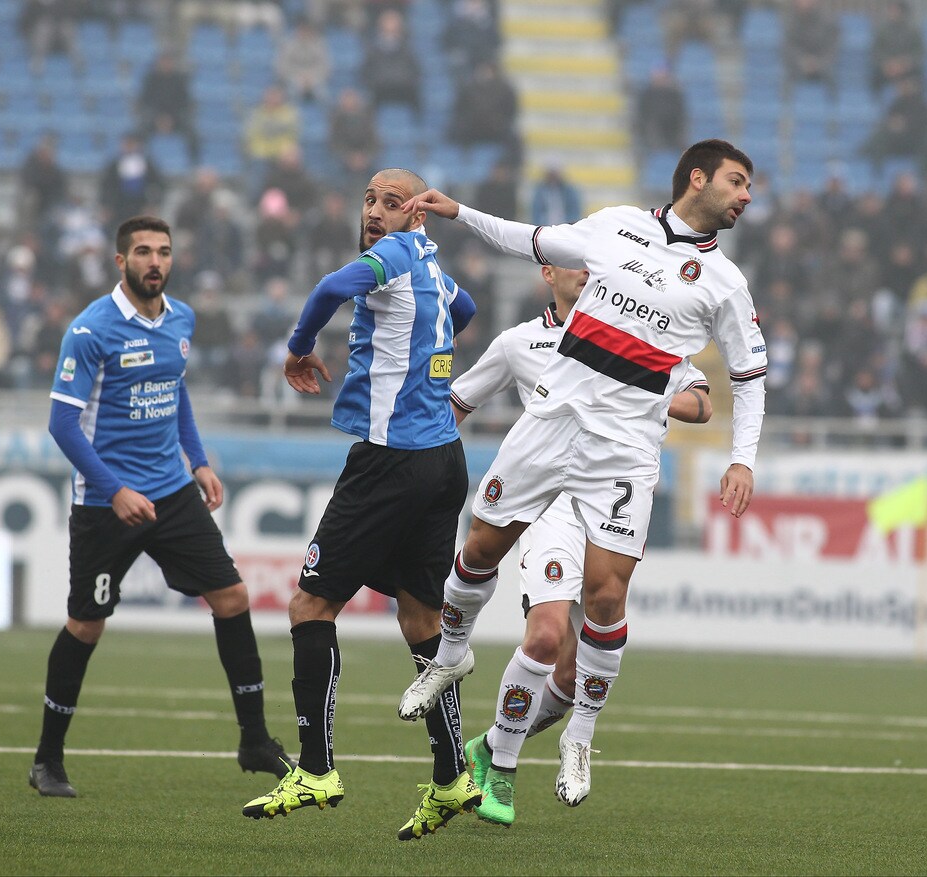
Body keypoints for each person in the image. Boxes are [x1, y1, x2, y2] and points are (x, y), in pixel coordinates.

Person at [396, 139, 767, 812]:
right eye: (737, 181)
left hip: (624, 451)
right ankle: (449, 656)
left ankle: (580, 734)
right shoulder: (614, 225)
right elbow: (530, 239)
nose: (746, 196)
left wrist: (742, 457)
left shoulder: (725, 283)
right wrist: (459, 212)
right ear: (698, 178)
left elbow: (748, 377)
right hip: (551, 424)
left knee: (605, 598)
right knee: (479, 549)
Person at [240, 168, 483, 842]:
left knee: (310, 604)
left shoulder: (394, 256)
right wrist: (428, 362)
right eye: (370, 200)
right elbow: (463, 311)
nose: (375, 211)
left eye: (392, 202)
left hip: (390, 460)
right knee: (421, 617)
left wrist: (298, 348)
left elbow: (328, 289)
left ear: (418, 214)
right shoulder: (433, 267)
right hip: (444, 459)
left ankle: (316, 769)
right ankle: (452, 775)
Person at [28, 215, 295, 798]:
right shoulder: (90, 330)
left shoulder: (182, 319)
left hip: (172, 492)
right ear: (120, 261)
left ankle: (254, 740)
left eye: (164, 252)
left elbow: (175, 392)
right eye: (144, 251)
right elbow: (62, 423)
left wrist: (198, 461)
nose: (156, 262)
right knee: (86, 624)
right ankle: (47, 759)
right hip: (106, 503)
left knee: (233, 597)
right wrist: (114, 490)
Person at [450, 263, 713, 826]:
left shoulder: (640, 334)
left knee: (572, 676)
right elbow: (458, 401)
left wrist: (644, 394)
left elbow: (701, 403)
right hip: (547, 502)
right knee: (545, 635)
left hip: (608, 498)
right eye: (576, 263)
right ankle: (503, 774)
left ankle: (492, 744)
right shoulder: (519, 342)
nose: (589, 273)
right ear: (549, 273)